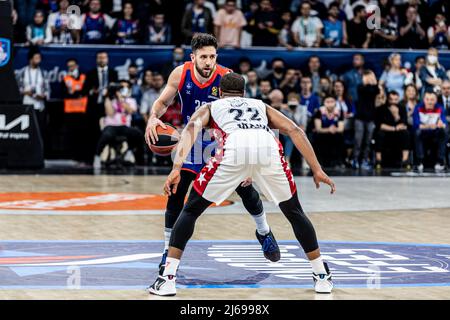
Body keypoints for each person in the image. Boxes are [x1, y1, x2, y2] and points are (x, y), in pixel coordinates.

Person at [147, 72, 336, 296]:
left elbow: (190, 129)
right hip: (268, 149)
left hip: (234, 149)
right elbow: (295, 130)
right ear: (244, 93)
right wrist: (316, 169)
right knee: (294, 211)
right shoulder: (260, 105)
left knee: (190, 210)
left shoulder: (212, 106)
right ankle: (321, 276)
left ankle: (167, 278)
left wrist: (176, 168)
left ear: (220, 93)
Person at [144, 33, 280, 274]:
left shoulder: (226, 78)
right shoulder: (180, 73)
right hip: (193, 142)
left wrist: (247, 164)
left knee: (246, 189)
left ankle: (264, 231)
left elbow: (244, 116)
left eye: (212, 57)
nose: (209, 62)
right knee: (176, 194)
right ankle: (167, 250)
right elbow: (163, 102)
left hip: (222, 143)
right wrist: (153, 118)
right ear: (193, 57)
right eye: (204, 57)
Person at [375, 91, 410, 169]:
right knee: (379, 134)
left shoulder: (402, 108)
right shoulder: (381, 108)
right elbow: (380, 125)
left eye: (396, 99)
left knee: (406, 133)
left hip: (398, 132)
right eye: (391, 99)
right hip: (386, 132)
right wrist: (394, 128)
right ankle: (378, 160)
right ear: (388, 99)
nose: (393, 102)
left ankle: (405, 160)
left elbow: (404, 124)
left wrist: (396, 115)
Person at [413, 91, 447, 172]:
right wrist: (429, 126)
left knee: (443, 132)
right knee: (417, 132)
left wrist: (441, 124)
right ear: (424, 100)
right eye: (427, 99)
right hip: (423, 134)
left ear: (435, 100)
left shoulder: (440, 108)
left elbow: (444, 123)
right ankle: (419, 161)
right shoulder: (418, 107)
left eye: (432, 100)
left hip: (435, 134)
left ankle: (440, 161)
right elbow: (416, 125)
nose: (429, 102)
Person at [352, 70, 380, 170]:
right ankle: (355, 159)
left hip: (370, 118)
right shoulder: (360, 87)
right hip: (360, 118)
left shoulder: (374, 89)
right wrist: (367, 82)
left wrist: (374, 82)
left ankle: (365, 159)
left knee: (368, 141)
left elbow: (377, 91)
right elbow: (365, 91)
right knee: (358, 140)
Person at [313, 95, 344, 167]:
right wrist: (328, 129)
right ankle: (321, 161)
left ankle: (337, 161)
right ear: (324, 103)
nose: (330, 104)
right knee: (318, 137)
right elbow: (318, 128)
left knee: (339, 137)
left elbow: (341, 128)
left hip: (334, 133)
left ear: (335, 103)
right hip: (323, 133)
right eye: (327, 102)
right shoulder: (319, 111)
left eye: (332, 101)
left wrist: (334, 129)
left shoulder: (339, 112)